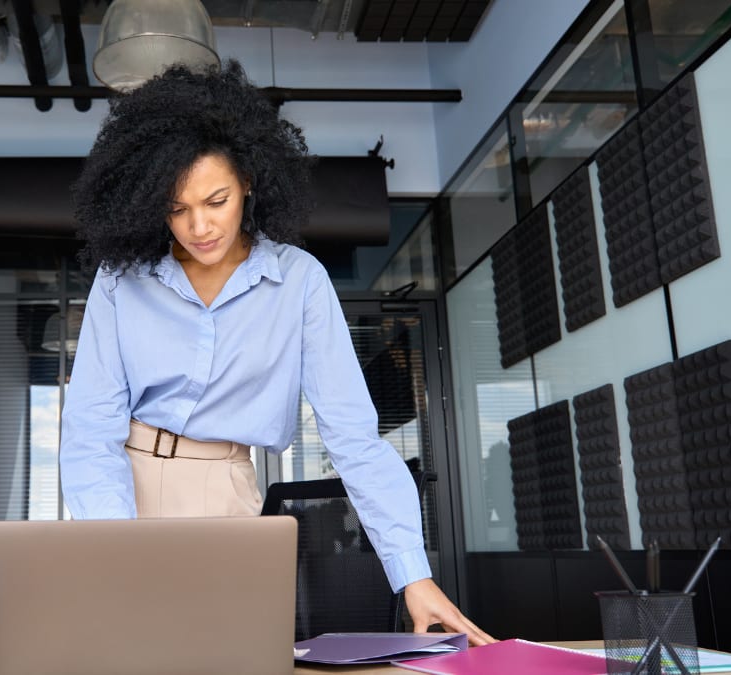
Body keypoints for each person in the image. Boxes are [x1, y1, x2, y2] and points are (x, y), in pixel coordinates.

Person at [60, 60, 495, 646]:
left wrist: (411, 574)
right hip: (125, 481)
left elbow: (352, 436)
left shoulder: (299, 283)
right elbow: (90, 428)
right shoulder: (122, 279)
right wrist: (113, 546)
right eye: (176, 208)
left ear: (247, 182)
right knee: (127, 651)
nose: (199, 226)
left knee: (224, 652)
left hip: (228, 484)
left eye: (215, 200)